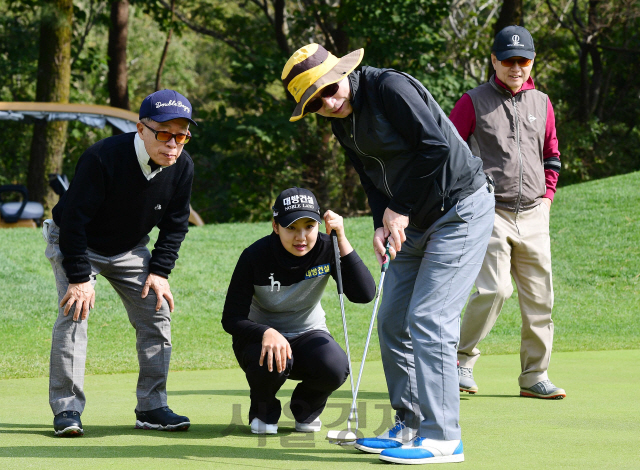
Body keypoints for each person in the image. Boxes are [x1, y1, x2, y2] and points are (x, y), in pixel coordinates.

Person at [282, 44, 495, 464]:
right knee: (393, 319)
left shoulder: (389, 88)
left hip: (460, 209)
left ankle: (444, 437)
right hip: (411, 219)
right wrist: (381, 221)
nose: (329, 102)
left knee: (430, 317)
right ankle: (411, 424)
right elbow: (371, 175)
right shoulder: (341, 123)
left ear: (341, 72)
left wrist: (400, 210)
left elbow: (435, 147)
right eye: (316, 102)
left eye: (329, 89)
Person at [43, 89, 196, 437]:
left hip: (128, 248)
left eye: (182, 135)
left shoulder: (182, 166)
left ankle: (152, 407)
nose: (173, 144)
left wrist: (159, 272)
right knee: (74, 313)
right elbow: (74, 222)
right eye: (164, 133)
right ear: (141, 129)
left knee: (157, 313)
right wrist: (80, 278)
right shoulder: (103, 157)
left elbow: (175, 225)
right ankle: (67, 410)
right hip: (75, 241)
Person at [450, 25, 565, 399]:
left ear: (532, 62)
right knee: (494, 289)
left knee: (540, 299)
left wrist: (547, 198)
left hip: (534, 212)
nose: (517, 67)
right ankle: (460, 362)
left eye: (524, 60)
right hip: (490, 211)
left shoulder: (542, 103)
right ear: (495, 60)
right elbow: (449, 152)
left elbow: (552, 155)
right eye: (509, 60)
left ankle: (534, 376)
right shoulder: (473, 101)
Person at [221, 187, 375, 434]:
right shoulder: (254, 256)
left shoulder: (327, 248)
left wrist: (342, 239)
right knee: (270, 362)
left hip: (308, 333)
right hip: (259, 339)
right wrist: (265, 332)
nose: (301, 237)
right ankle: (263, 411)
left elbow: (364, 295)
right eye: (291, 228)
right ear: (275, 226)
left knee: (335, 367)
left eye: (309, 227)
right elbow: (231, 319)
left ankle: (305, 409)